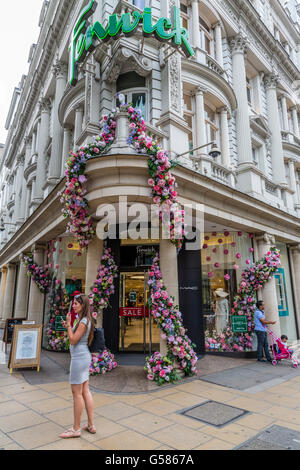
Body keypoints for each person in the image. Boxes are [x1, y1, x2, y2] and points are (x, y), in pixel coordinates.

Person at [59, 294, 96, 438]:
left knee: (77, 394)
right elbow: (75, 335)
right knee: (85, 391)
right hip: (82, 358)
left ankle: (76, 429)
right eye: (73, 303)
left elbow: (73, 340)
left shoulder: (83, 321)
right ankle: (91, 425)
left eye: (76, 303)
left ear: (83, 305)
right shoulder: (83, 320)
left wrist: (69, 325)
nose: (73, 306)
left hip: (79, 359)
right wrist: (68, 326)